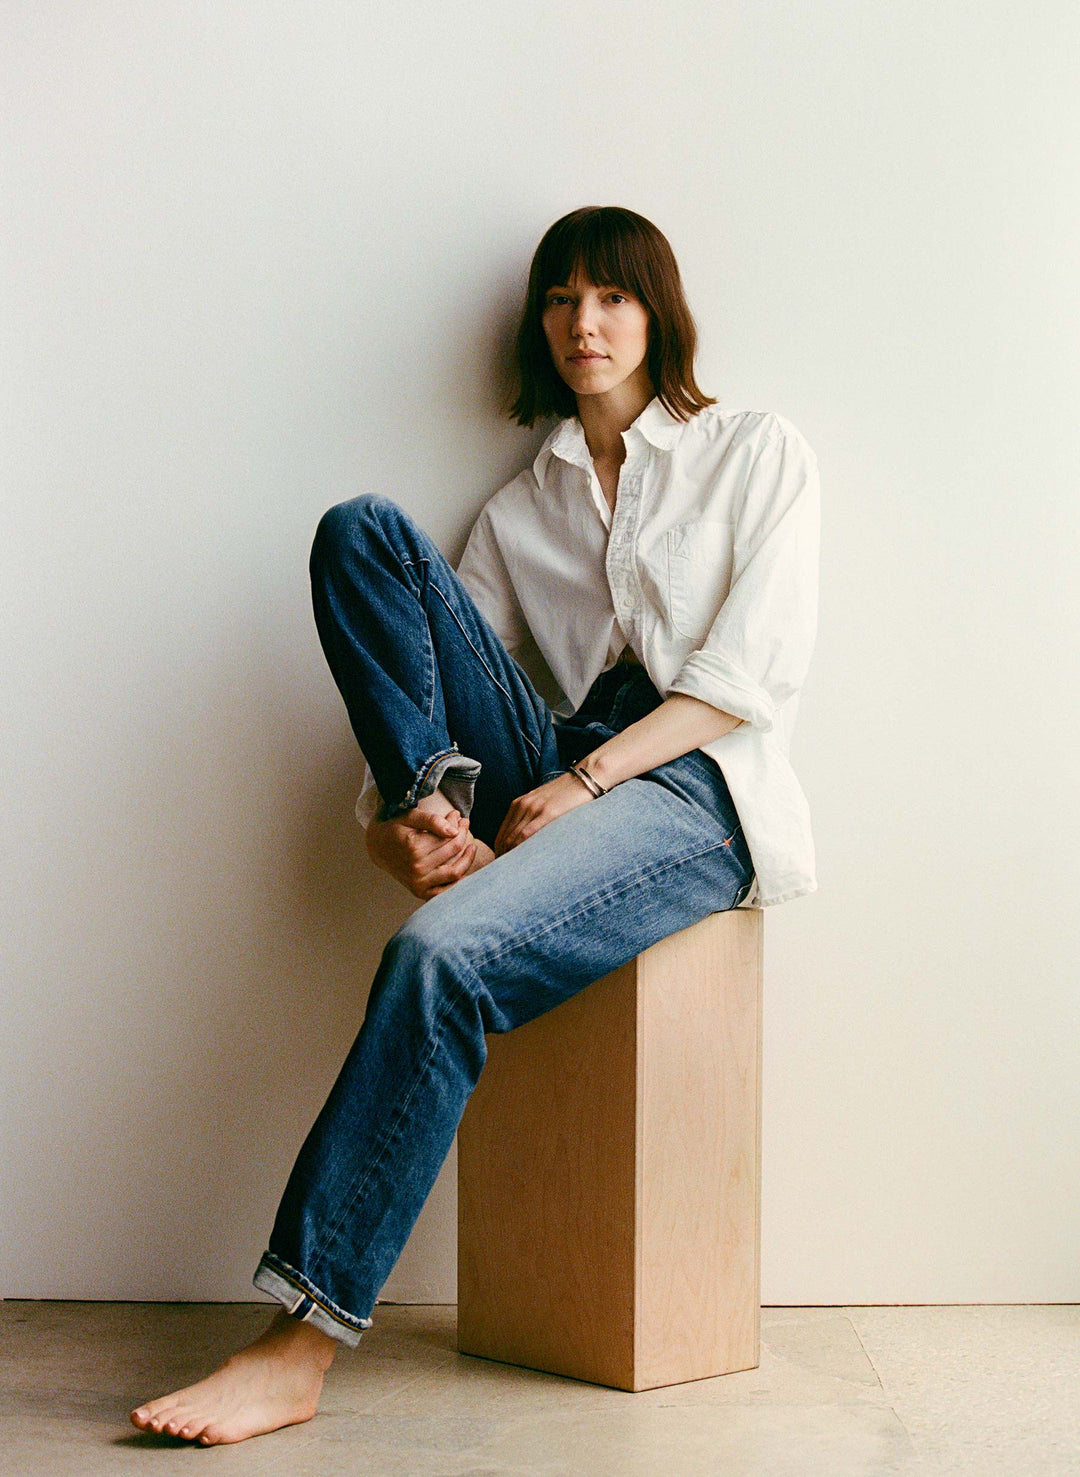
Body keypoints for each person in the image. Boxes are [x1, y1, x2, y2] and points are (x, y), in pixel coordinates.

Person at [130, 205, 820, 1445]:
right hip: (543, 769)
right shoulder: (519, 511)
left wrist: (594, 780)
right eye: (560, 300)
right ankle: (434, 820)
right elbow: (431, 683)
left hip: (691, 793)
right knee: (364, 536)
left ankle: (300, 1341)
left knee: (439, 959)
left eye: (611, 297)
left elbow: (747, 677)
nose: (584, 323)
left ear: (658, 313)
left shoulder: (755, 451)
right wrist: (402, 823)